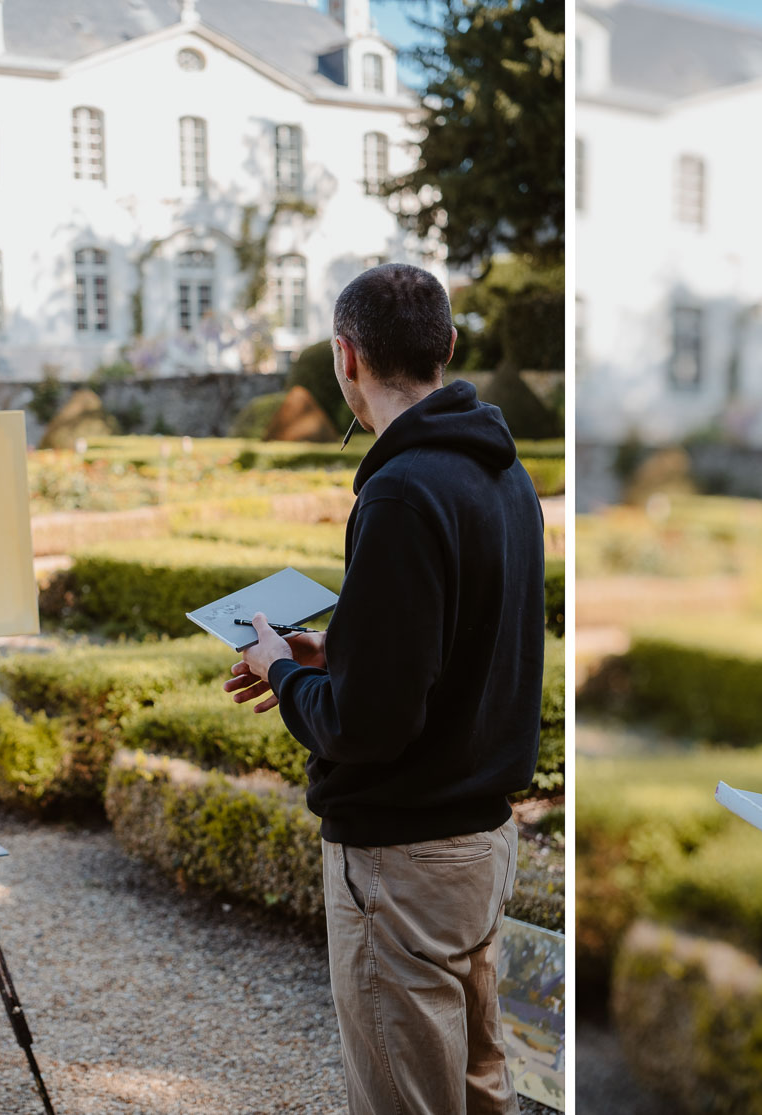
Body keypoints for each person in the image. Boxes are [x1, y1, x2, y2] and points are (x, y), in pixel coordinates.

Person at [225, 263, 544, 1115]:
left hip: (402, 859)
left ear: (346, 357)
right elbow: (470, 645)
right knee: (481, 1089)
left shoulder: (402, 489)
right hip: (480, 842)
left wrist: (279, 668)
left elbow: (367, 726)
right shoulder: (505, 473)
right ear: (447, 347)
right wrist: (339, 650)